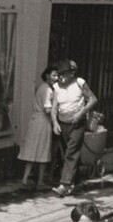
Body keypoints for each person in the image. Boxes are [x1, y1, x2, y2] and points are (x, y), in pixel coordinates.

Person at [51, 60, 98, 197]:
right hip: (62, 123)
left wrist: (81, 113)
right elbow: (54, 108)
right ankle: (75, 182)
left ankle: (64, 184)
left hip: (77, 123)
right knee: (66, 153)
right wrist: (55, 122)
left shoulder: (79, 83)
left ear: (71, 73)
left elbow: (93, 99)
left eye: (63, 74)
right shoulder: (56, 87)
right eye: (59, 75)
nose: (61, 77)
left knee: (71, 151)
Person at [19, 66, 58, 188]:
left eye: (57, 76)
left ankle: (25, 179)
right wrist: (57, 111)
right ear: (47, 75)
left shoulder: (42, 87)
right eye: (54, 75)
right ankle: (40, 182)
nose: (56, 78)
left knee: (32, 150)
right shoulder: (48, 90)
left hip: (35, 121)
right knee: (43, 151)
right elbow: (47, 109)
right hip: (43, 122)